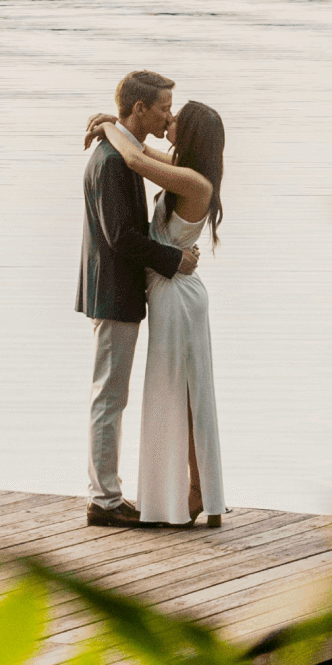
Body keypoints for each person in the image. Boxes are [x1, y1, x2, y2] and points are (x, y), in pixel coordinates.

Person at [85, 98, 226, 529]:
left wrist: (107, 125)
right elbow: (140, 153)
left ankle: (200, 491)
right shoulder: (184, 170)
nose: (171, 119)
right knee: (182, 392)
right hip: (168, 292)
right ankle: (198, 490)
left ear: (194, 132)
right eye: (168, 110)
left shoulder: (193, 181)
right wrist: (114, 123)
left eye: (178, 116)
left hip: (178, 296)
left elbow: (131, 156)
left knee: (186, 393)